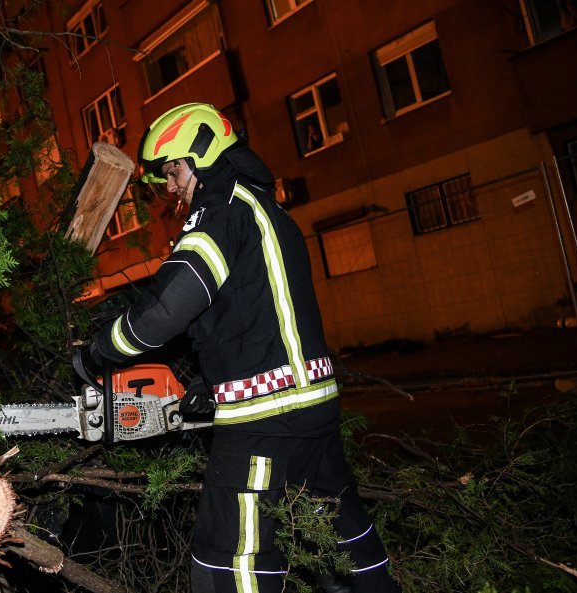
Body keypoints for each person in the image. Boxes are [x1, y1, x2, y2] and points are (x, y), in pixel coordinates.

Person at [76, 103, 400, 593]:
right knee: (337, 537)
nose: (170, 187)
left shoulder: (220, 208)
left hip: (266, 421)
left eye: (173, 171)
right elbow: (260, 311)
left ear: (202, 156)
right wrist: (215, 383)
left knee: (230, 562)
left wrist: (102, 351)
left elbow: (172, 303)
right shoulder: (265, 208)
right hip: (310, 408)